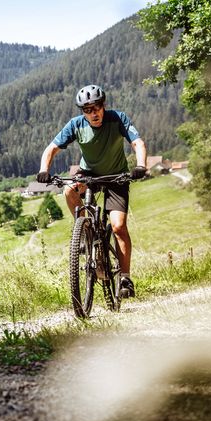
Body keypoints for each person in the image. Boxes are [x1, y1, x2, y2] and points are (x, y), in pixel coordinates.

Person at [36, 84, 147, 297]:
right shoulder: (76, 125)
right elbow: (52, 148)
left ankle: (125, 278)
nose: (93, 113)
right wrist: (44, 170)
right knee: (69, 190)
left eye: (96, 107)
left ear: (103, 105)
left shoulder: (117, 118)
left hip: (117, 177)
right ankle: (85, 231)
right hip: (88, 175)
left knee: (118, 227)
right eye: (87, 110)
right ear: (82, 112)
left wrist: (141, 165)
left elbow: (137, 142)